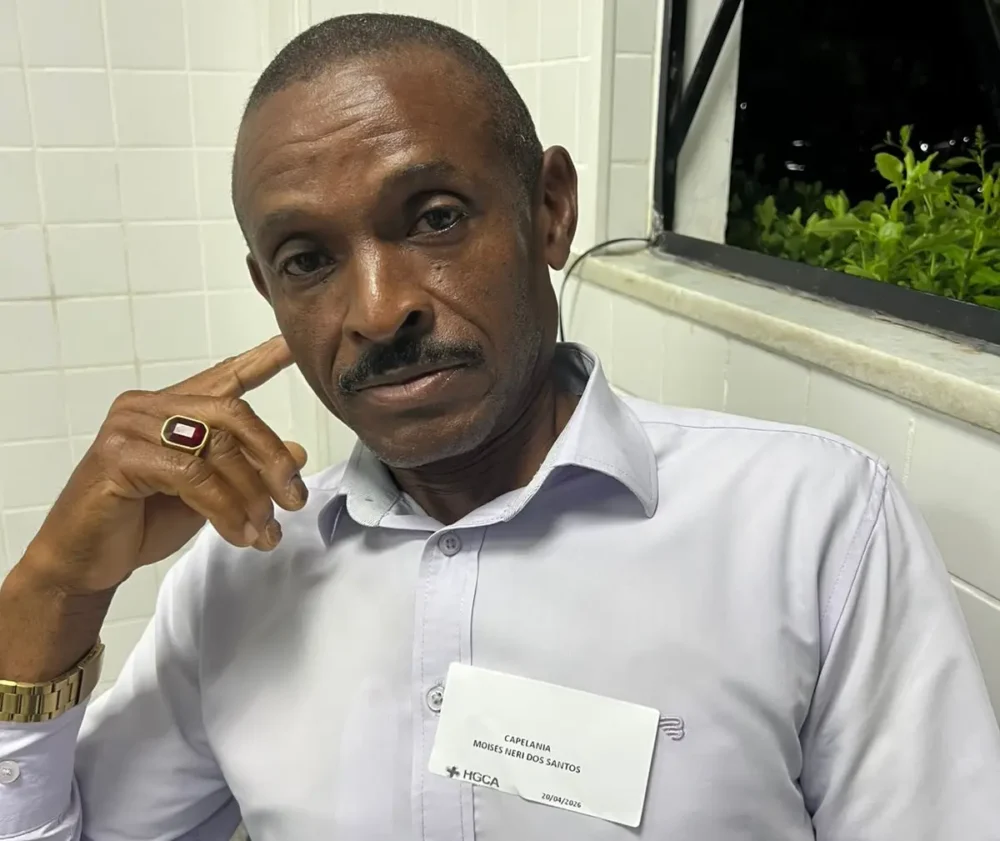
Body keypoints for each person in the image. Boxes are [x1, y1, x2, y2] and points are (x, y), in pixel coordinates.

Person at [0, 12, 997, 841]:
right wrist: (54, 589)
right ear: (269, 292)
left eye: (434, 217)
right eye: (308, 259)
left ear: (549, 210)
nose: (378, 309)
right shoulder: (246, 572)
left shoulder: (811, 527)